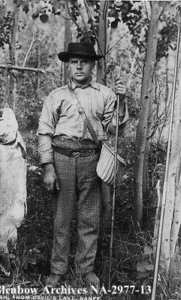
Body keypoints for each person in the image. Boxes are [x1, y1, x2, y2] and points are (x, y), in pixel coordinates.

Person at [37, 42, 129, 287]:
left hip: (92, 160)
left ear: (93, 65)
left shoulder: (106, 94)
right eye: (74, 62)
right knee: (62, 220)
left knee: (89, 219)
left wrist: (121, 101)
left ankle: (85, 270)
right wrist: (48, 167)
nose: (78, 66)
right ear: (68, 65)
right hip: (62, 158)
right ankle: (57, 270)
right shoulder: (56, 96)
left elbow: (114, 130)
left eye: (84, 62)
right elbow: (45, 132)